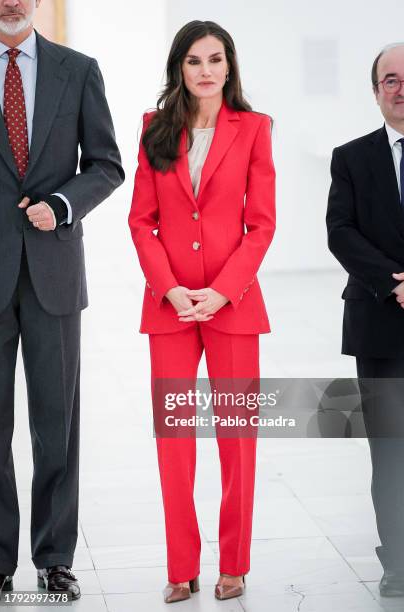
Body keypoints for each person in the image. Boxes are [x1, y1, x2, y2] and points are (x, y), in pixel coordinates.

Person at [129, 19, 275, 604]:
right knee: (175, 439)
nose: (206, 71)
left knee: (237, 437)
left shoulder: (255, 128)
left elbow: (262, 224)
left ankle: (234, 562)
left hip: (231, 305)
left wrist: (223, 289)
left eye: (216, 59)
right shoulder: (153, 129)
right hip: (170, 308)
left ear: (230, 67)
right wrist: (169, 289)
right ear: (179, 69)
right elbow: (141, 220)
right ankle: (181, 566)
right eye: (194, 61)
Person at [0, 0, 124, 602]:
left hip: (53, 273)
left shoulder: (79, 69)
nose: (12, 1)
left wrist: (63, 204)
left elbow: (106, 164)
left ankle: (54, 558)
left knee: (57, 425)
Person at [327, 42, 404, 598]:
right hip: (380, 322)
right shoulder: (352, 156)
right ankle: (398, 561)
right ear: (376, 91)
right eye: (391, 79)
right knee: (391, 447)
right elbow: (341, 232)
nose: (401, 88)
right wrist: (395, 280)